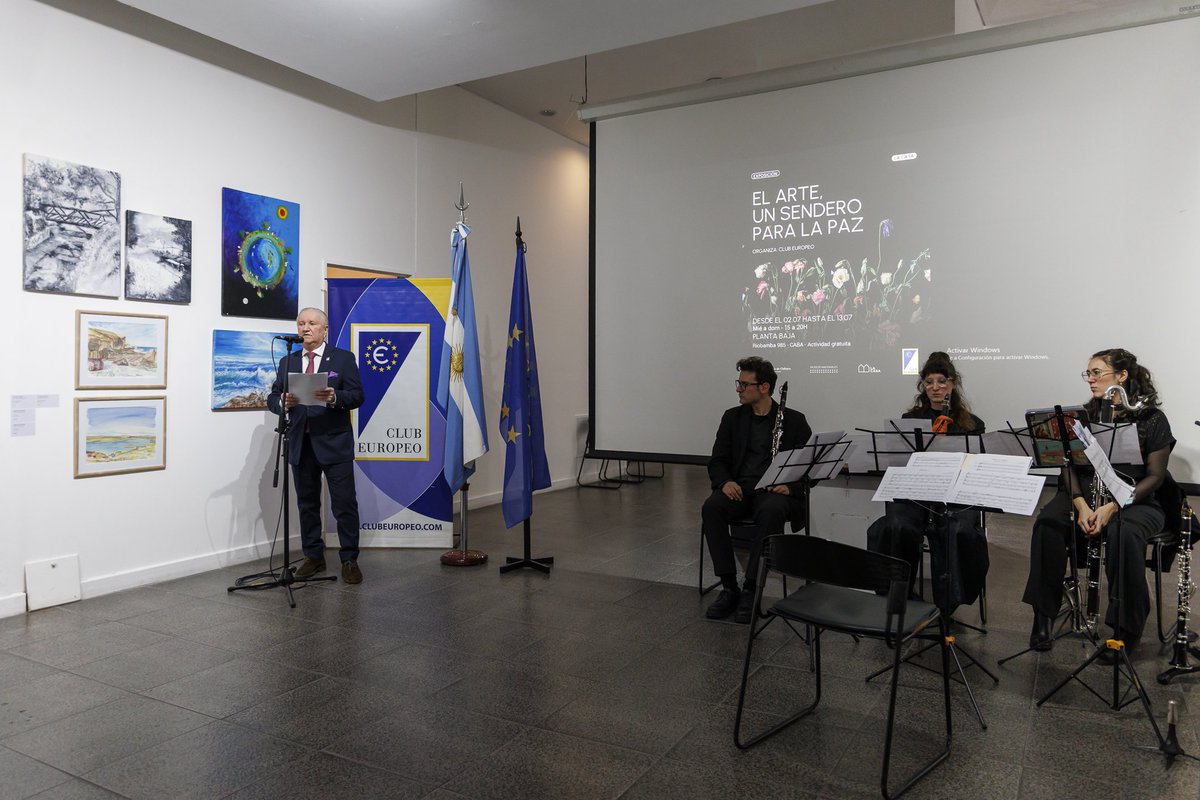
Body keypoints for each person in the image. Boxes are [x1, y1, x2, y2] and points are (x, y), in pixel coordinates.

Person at [1023, 348, 1173, 656]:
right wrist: (1080, 505)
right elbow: (1068, 466)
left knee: (1124, 533)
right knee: (1048, 524)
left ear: (1121, 377)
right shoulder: (1082, 416)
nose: (1090, 379)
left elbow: (1155, 477)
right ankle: (1043, 618)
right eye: (1088, 373)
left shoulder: (1152, 419)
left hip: (1135, 498)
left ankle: (1125, 630)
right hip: (1086, 493)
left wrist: (1115, 505)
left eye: (1096, 373)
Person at [866, 352, 988, 611]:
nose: (935, 387)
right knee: (895, 525)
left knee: (960, 531)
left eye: (942, 381)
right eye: (929, 381)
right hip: (916, 495)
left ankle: (949, 602)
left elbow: (975, 470)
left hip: (955, 497)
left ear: (953, 384)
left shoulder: (972, 424)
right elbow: (899, 464)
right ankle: (900, 594)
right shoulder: (909, 422)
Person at [702, 356, 812, 623]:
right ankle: (729, 587)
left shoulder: (794, 421)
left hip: (773, 492)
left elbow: (810, 467)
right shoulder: (732, 418)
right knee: (712, 507)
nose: (738, 389)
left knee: (772, 511)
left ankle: (752, 588)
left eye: (744, 384)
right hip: (739, 488)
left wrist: (791, 486)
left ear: (764, 387)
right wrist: (725, 482)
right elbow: (717, 460)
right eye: (737, 384)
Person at [267, 307, 366, 584]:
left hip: (334, 443)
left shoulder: (343, 359)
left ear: (325, 329)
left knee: (344, 505)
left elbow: (358, 395)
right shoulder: (288, 361)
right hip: (300, 442)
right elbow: (273, 396)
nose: (305, 328)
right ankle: (313, 556)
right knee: (306, 503)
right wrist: (281, 403)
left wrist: (335, 397)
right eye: (301, 323)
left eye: (311, 323)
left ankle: (349, 559)